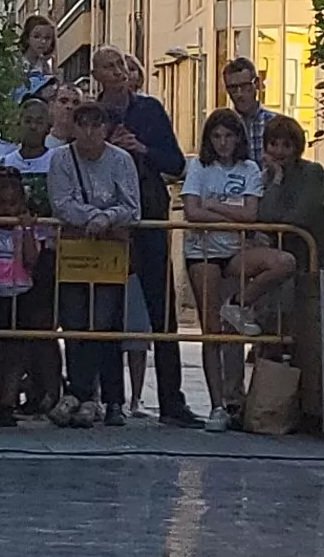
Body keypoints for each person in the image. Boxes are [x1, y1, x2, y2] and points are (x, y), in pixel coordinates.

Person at [91, 49, 191, 427]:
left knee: (162, 311)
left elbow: (176, 162)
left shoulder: (150, 110)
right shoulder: (93, 115)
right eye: (110, 66)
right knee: (109, 311)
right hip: (110, 221)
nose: (118, 72)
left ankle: (172, 401)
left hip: (149, 216)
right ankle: (113, 401)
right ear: (96, 74)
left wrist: (142, 149)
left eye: (122, 65)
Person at [47, 98, 142, 427]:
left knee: (103, 324)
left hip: (110, 252)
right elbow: (61, 202)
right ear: (73, 128)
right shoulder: (61, 159)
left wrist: (107, 218)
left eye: (96, 125)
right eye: (82, 125)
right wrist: (94, 217)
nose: (89, 132)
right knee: (74, 322)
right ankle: (80, 392)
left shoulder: (122, 160)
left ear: (106, 129)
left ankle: (98, 395)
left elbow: (132, 206)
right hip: (75, 250)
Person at [181, 108, 262, 430]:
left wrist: (211, 206)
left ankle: (239, 304)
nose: (223, 142)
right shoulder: (198, 166)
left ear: (238, 137)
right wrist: (231, 212)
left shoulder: (250, 168)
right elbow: (191, 211)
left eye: (228, 135)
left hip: (236, 251)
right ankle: (217, 405)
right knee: (211, 329)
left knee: (281, 263)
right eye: (217, 136)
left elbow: (251, 215)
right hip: (203, 252)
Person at [229, 114, 324, 328]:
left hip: (316, 256)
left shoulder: (312, 172)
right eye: (273, 144)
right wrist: (276, 180)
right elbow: (263, 216)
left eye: (286, 145)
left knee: (312, 320)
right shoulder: (264, 177)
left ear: (297, 147)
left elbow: (300, 215)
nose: (279, 151)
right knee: (275, 316)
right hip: (281, 259)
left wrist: (273, 226)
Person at [0, 166, 57, 423]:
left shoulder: (24, 226)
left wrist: (28, 229)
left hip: (20, 291)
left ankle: (7, 402)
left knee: (16, 351)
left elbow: (32, 259)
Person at [220, 56, 278, 163]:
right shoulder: (223, 125)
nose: (239, 93)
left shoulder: (275, 123)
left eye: (244, 86)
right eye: (233, 88)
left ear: (256, 84)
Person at [14, 15, 61, 103]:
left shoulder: (47, 67)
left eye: (47, 38)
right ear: (27, 38)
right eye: (37, 37)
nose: (43, 42)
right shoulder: (15, 62)